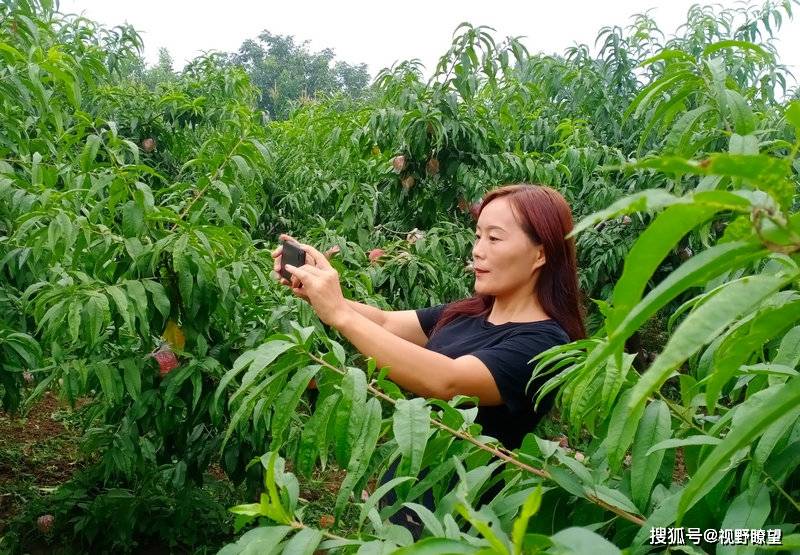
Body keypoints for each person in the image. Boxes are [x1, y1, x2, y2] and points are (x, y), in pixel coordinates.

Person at [271, 183, 585, 539]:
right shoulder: (466, 313)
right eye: (478, 235)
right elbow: (386, 322)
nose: (478, 251)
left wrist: (340, 313)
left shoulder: (544, 342)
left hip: (457, 523)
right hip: (403, 498)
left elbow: (447, 381)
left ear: (540, 254)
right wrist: (321, 289)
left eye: (494, 239)